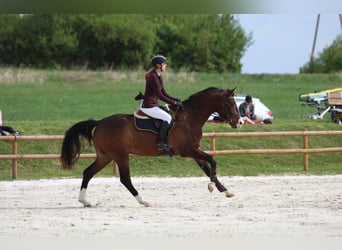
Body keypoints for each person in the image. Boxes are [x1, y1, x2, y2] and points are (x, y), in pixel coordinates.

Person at [140, 54, 183, 151]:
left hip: (153, 104)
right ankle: (161, 142)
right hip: (149, 106)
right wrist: (175, 103)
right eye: (164, 64)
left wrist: (176, 100)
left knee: (170, 115)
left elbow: (164, 92)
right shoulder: (153, 77)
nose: (166, 65)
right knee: (167, 118)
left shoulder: (158, 76)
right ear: (158, 65)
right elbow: (160, 96)